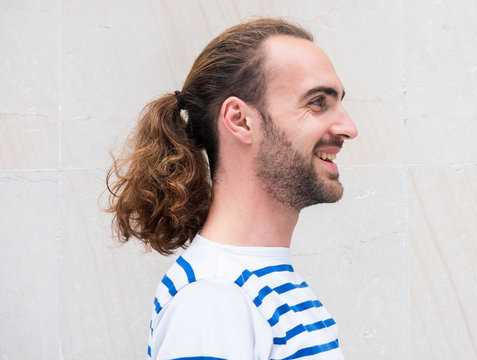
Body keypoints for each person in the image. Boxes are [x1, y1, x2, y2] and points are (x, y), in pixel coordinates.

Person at [107, 17, 357, 360]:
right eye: (317, 102)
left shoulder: (256, 285)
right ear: (239, 120)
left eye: (339, 102)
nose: (348, 127)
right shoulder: (214, 299)